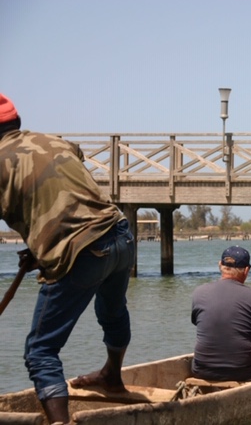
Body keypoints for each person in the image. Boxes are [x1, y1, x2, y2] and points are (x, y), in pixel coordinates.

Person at [0, 93, 135, 424]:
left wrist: (52, 247)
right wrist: (40, 248)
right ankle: (113, 377)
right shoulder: (53, 140)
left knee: (40, 350)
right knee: (113, 311)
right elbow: (62, 187)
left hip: (81, 251)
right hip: (120, 234)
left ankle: (60, 422)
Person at [191, 246, 251, 381]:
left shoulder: (199, 293)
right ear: (247, 270)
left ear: (220, 265)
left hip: (202, 370)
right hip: (244, 371)